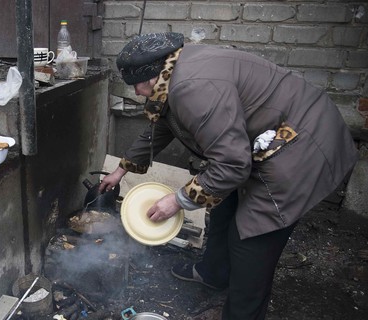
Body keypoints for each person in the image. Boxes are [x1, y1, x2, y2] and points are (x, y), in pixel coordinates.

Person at [99, 32, 358, 319]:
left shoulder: (191, 88)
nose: (136, 93)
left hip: (301, 142)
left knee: (251, 240)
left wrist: (179, 200)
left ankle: (242, 312)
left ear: (153, 75)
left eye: (136, 85)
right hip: (269, 138)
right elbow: (164, 124)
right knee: (222, 204)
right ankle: (214, 273)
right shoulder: (173, 74)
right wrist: (122, 169)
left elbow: (233, 166)